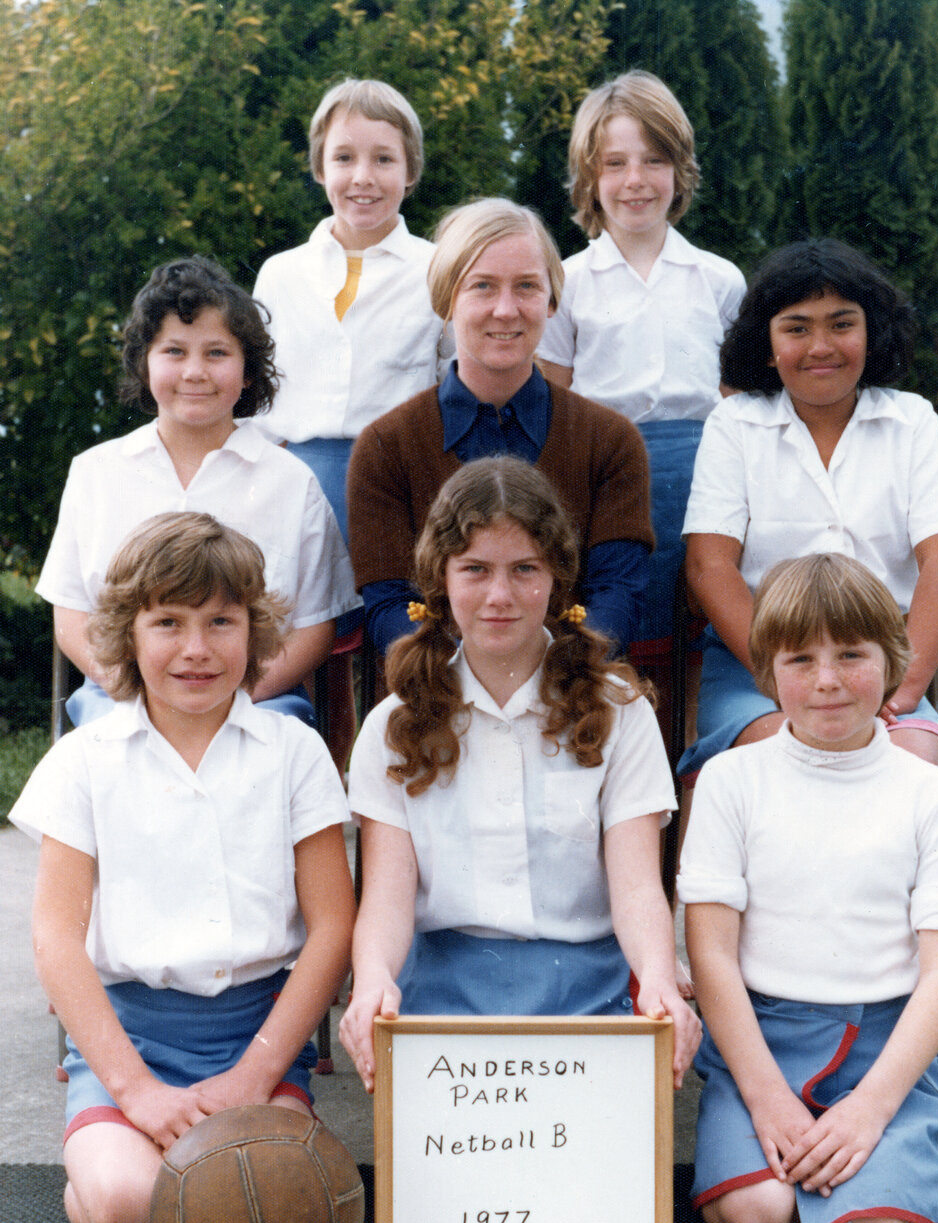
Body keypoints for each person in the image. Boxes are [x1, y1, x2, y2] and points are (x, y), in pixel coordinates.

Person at [11, 512, 357, 1223]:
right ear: (128, 635)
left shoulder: (294, 752)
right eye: (167, 621)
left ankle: (239, 1135)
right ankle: (97, 1166)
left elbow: (333, 926)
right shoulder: (87, 760)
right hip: (127, 1044)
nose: (196, 649)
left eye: (220, 621)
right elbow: (55, 937)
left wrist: (255, 1075)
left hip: (254, 1042)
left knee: (273, 1213)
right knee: (132, 1211)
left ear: (254, 631)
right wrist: (135, 1091)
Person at [339, 457, 700, 1094]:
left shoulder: (619, 713)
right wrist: (372, 981)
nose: (499, 596)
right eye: (475, 569)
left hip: (591, 993)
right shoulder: (395, 724)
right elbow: (387, 900)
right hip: (440, 1001)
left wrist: (660, 977)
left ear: (558, 579)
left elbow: (639, 887)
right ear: (440, 579)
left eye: (524, 570)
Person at [679, 553, 938, 1223]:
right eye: (800, 657)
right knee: (756, 1217)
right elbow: (712, 953)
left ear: (894, 659)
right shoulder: (730, 780)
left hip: (890, 1045)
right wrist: (767, 1100)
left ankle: (893, 1147)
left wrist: (871, 1108)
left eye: (852, 654)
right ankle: (774, 1143)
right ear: (766, 668)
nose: (826, 680)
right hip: (763, 1041)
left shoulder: (929, 795)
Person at [680, 238, 938, 779]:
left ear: (871, 331)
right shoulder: (735, 425)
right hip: (758, 671)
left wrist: (901, 692)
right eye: (796, 328)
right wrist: (779, 678)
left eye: (841, 324)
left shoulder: (913, 422)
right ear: (766, 345)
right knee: (788, 757)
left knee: (909, 761)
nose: (820, 346)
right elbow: (708, 566)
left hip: (878, 671)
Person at [37, 256, 357, 729]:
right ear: (144, 363)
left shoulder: (292, 483)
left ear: (248, 370)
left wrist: (232, 699)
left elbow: (315, 625)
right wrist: (142, 697)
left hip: (257, 706)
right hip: (121, 704)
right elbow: (72, 615)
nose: (194, 372)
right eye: (174, 352)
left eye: (216, 353)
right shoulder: (96, 474)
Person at [346, 198, 654, 659]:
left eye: (527, 286)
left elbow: (615, 599)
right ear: (446, 299)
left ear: (552, 301)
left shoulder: (610, 442)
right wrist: (472, 686)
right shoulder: (387, 448)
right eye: (483, 287)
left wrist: (543, 686)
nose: (506, 310)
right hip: (437, 700)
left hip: (569, 695)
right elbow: (391, 608)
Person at [253, 79, 448, 764]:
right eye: (344, 158)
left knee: (398, 658)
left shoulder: (437, 270)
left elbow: (449, 387)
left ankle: (399, 799)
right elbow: (257, 401)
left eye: (383, 159)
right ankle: (315, 810)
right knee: (304, 656)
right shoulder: (281, 274)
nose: (362, 178)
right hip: (296, 488)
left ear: (410, 170)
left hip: (400, 493)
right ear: (319, 167)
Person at [537, 70, 745, 693]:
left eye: (654, 161)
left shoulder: (718, 280)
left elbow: (736, 408)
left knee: (696, 640)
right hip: (604, 483)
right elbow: (554, 403)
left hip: (703, 483)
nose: (635, 181)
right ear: (589, 179)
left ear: (679, 171)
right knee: (612, 639)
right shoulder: (566, 284)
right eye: (615, 164)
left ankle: (690, 769)